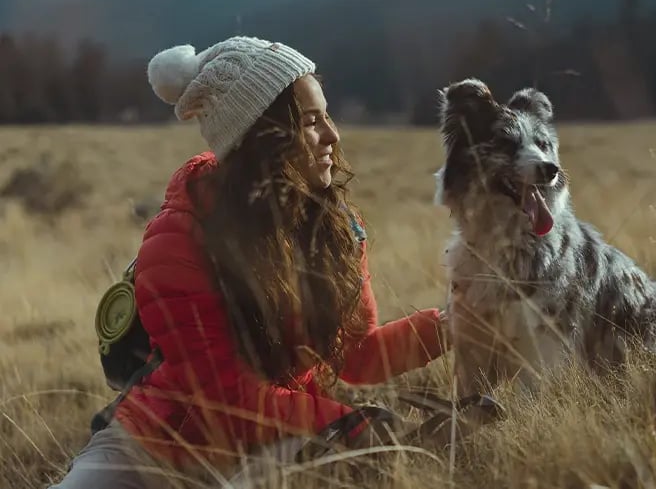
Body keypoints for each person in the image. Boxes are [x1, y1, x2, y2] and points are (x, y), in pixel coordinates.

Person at [49, 36, 450, 489]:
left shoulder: (337, 230)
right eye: (310, 122)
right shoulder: (176, 242)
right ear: (260, 137)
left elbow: (356, 355)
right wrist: (344, 423)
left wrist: (451, 326)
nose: (332, 136)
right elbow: (227, 398)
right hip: (152, 449)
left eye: (327, 116)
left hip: (270, 440)